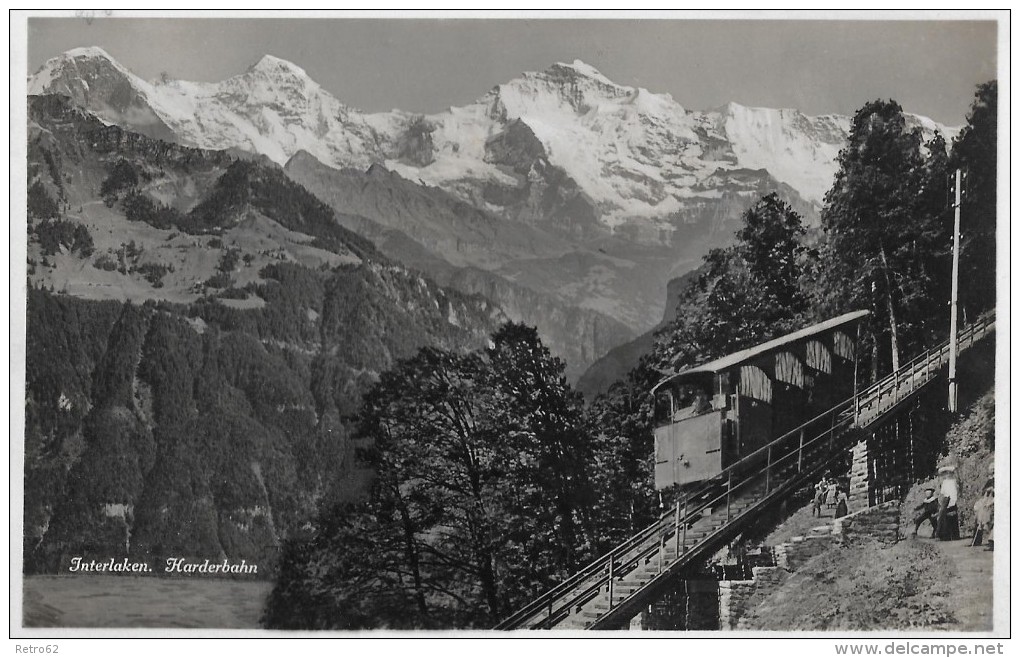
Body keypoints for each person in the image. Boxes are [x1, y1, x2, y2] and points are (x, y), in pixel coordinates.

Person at [936, 466, 960, 541]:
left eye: (949, 473)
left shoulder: (954, 482)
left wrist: (953, 501)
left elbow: (955, 492)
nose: (948, 475)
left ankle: (954, 535)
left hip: (952, 499)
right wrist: (942, 501)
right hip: (945, 500)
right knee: (944, 517)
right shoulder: (944, 482)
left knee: (952, 517)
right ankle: (945, 535)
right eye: (946, 473)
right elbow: (943, 493)